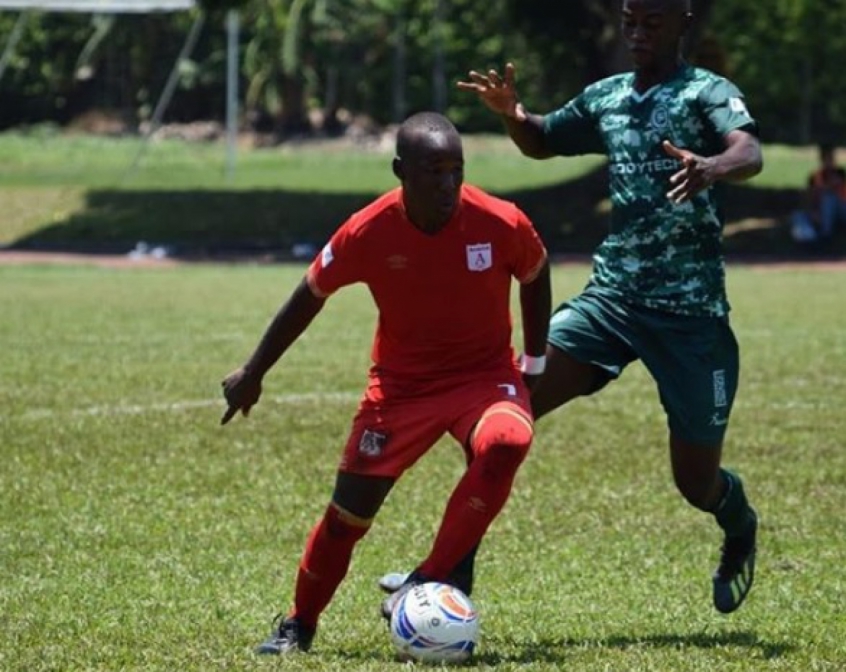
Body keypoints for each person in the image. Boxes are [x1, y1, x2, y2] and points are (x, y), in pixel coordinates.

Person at [381, 0, 762, 616]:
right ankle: (449, 574)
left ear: (683, 21)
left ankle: (739, 525)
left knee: (696, 481)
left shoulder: (706, 93)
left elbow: (750, 151)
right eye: (630, 22)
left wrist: (712, 166)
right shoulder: (607, 96)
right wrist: (514, 115)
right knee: (502, 411)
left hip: (691, 316)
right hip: (610, 302)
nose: (638, 34)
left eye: (652, 23)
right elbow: (544, 141)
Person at [220, 111, 552, 655]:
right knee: (348, 516)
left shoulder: (501, 220)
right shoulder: (368, 229)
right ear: (401, 171)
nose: (448, 184)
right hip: (400, 391)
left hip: (484, 379)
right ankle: (298, 626)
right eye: (433, 171)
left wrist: (534, 364)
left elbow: (535, 274)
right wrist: (254, 372)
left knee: (509, 441)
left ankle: (427, 579)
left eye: (456, 170)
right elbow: (310, 293)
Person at [790, 143, 846, 244]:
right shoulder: (815, 176)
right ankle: (822, 235)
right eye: (827, 159)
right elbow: (810, 195)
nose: (829, 162)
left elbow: (836, 187)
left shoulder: (839, 173)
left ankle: (826, 233)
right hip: (821, 209)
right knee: (799, 215)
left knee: (830, 199)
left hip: (841, 206)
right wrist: (813, 211)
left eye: (831, 158)